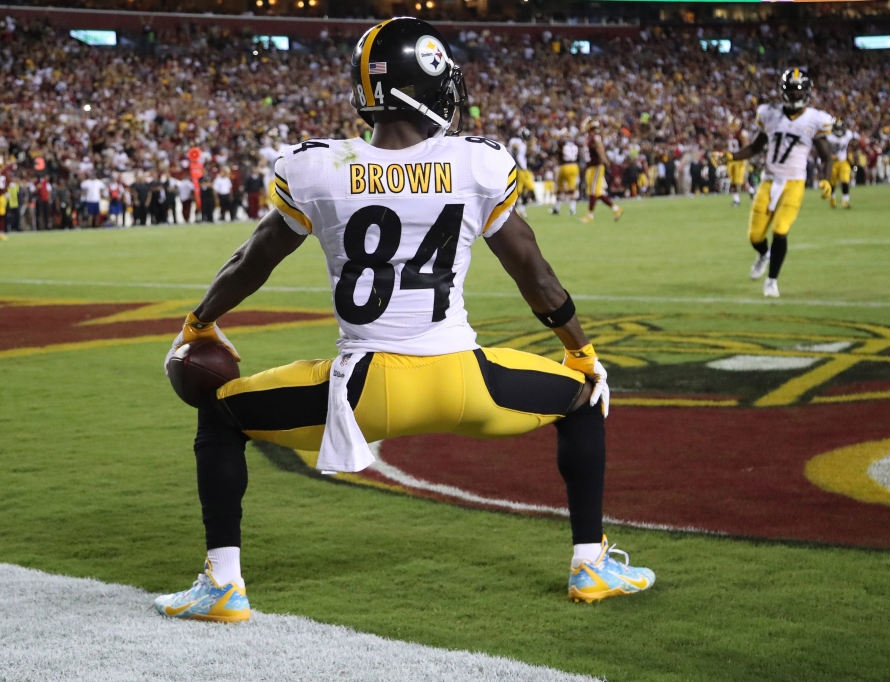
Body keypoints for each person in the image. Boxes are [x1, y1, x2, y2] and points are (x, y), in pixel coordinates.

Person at [154, 17, 654, 624]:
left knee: (221, 413)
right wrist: (580, 351)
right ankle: (590, 564)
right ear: (426, 84)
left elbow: (251, 262)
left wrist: (198, 322)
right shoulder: (477, 164)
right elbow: (536, 276)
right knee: (582, 399)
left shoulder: (318, 167)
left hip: (366, 390)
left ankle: (223, 584)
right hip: (465, 383)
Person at [728, 68, 833, 298]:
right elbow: (755, 147)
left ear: (806, 92)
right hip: (769, 180)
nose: (795, 94)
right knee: (755, 237)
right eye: (791, 89)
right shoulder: (770, 114)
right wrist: (731, 157)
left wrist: (826, 180)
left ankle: (772, 281)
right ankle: (764, 255)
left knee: (781, 230)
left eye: (799, 90)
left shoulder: (815, 119)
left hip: (794, 182)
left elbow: (826, 155)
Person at [580, 118, 623, 223]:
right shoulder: (589, 136)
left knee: (594, 191)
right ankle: (616, 209)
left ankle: (590, 215)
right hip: (591, 167)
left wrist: (606, 163)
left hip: (596, 166)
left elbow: (600, 150)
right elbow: (581, 129)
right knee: (596, 192)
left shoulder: (595, 137)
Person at [826, 119, 859, 209]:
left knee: (845, 181)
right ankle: (832, 200)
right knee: (833, 183)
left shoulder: (848, 134)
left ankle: (845, 202)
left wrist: (855, 145)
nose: (839, 129)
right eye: (837, 127)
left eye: (840, 127)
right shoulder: (829, 136)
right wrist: (829, 155)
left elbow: (857, 136)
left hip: (844, 161)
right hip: (833, 162)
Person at [507, 128, 535, 218]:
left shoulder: (521, 142)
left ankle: (520, 211)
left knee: (524, 190)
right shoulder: (516, 141)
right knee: (519, 191)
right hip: (519, 169)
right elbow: (515, 153)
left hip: (522, 169)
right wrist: (520, 166)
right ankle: (514, 212)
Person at [551, 136, 579, 216]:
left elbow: (555, 151)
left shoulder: (562, 144)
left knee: (559, 187)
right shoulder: (575, 144)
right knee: (572, 189)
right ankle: (573, 209)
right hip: (574, 166)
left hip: (564, 166)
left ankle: (557, 208)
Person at [726, 122, 750, 206]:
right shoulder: (730, 134)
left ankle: (752, 192)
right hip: (732, 160)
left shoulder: (741, 133)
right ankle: (736, 200)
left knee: (740, 181)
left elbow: (746, 146)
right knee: (733, 181)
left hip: (739, 160)